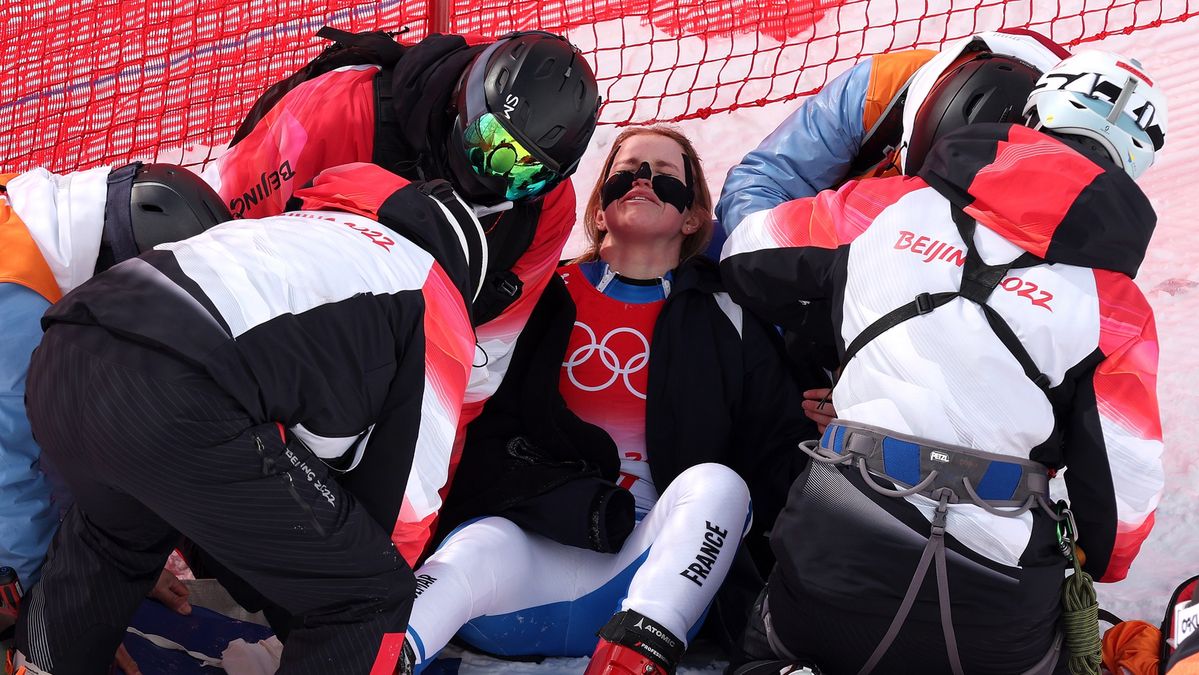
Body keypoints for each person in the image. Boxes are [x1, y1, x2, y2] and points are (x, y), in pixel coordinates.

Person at [720, 49, 1167, 674]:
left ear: (1035, 112)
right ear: (1134, 165)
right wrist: (1098, 559)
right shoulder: (1117, 309)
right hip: (996, 600)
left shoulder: (887, 208)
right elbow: (1124, 501)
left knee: (780, 642)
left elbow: (749, 247)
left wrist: (841, 322)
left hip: (833, 546)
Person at [10, 162, 495, 674]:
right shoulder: (431, 295)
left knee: (114, 536)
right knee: (371, 595)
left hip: (66, 349)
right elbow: (404, 522)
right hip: (181, 395)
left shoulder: (304, 230)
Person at [400, 126, 820, 675]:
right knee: (477, 546)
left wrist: (833, 422)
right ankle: (376, 654)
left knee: (719, 485)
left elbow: (776, 455)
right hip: (524, 563)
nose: (644, 180)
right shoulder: (540, 296)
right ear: (599, 211)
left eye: (666, 176)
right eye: (629, 169)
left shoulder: (728, 315)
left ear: (693, 218)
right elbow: (473, 421)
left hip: (656, 577)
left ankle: (628, 664)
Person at [201, 28, 601, 564]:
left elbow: (475, 373)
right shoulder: (339, 112)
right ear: (467, 95)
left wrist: (412, 522)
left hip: (387, 363)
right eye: (488, 140)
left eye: (523, 172)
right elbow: (214, 241)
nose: (492, 173)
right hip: (269, 332)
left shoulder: (544, 212)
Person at [715, 29, 1069, 407]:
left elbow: (1028, 323)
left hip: (932, 322)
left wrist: (881, 383)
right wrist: (825, 309)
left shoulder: (1065, 177)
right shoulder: (883, 86)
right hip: (821, 271)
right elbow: (760, 183)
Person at [0, 162, 224, 673]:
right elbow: (11, 474)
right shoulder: (12, 304)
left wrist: (111, 566)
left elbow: (48, 437)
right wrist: (59, 614)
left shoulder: (45, 237)